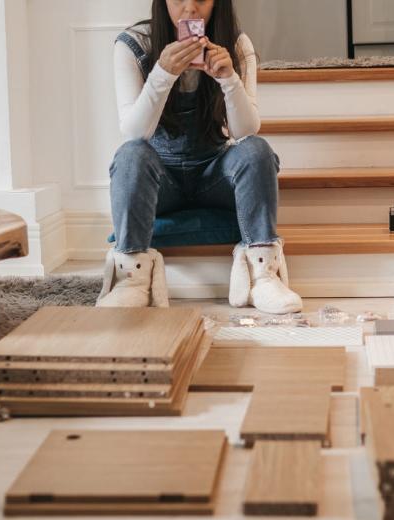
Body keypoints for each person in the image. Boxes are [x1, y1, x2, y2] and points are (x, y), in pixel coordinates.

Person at [103, 0, 302, 314]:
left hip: (213, 174)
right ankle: (132, 275)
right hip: (161, 181)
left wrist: (228, 79)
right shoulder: (134, 44)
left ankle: (263, 273)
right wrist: (162, 74)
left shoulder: (236, 44)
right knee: (130, 155)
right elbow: (134, 132)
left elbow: (247, 129)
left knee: (257, 150)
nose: (190, 9)